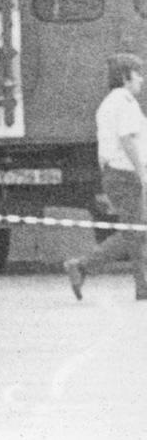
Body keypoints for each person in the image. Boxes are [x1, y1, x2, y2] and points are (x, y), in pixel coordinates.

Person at [63, 53, 145, 301]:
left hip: (114, 173)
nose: (142, 79)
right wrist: (141, 171)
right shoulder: (125, 102)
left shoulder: (108, 104)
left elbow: (105, 149)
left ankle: (142, 286)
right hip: (126, 174)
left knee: (136, 232)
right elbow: (127, 138)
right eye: (138, 73)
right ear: (125, 77)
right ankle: (82, 266)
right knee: (135, 232)